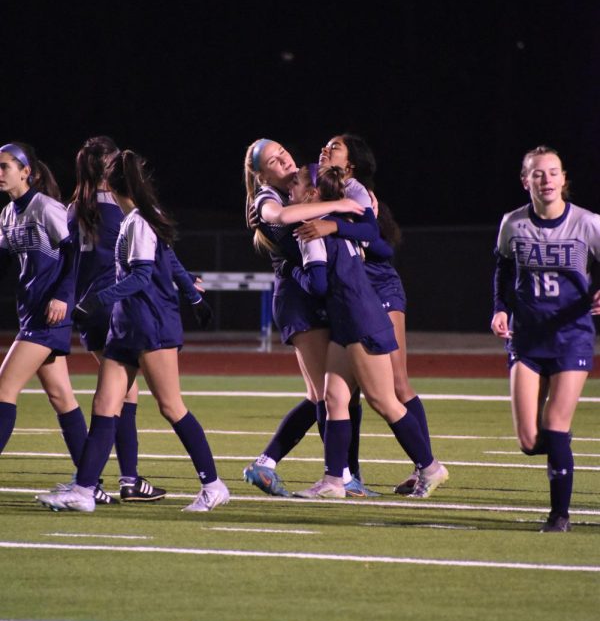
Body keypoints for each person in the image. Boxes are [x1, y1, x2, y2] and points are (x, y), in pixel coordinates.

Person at [37, 147, 228, 514]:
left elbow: (142, 277)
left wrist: (95, 300)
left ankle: (213, 484)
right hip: (124, 327)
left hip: (150, 324)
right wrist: (193, 296)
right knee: (105, 405)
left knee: (171, 406)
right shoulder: (132, 219)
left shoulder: (138, 222)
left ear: (111, 182)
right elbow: (169, 260)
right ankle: (83, 490)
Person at [289, 163, 448, 499]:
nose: (291, 188)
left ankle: (430, 467)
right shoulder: (343, 224)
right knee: (335, 398)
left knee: (384, 400)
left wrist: (293, 273)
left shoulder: (311, 229)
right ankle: (334, 480)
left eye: (296, 183)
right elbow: (371, 239)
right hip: (350, 320)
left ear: (311, 194)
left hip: (359, 319)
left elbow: (317, 284)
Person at [242, 138, 369, 498]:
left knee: (342, 393)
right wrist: (342, 205)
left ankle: (344, 474)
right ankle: (337, 475)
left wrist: (351, 204)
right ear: (260, 173)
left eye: (282, 151)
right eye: (272, 160)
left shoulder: (307, 185)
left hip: (320, 295)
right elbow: (281, 217)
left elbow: (360, 209)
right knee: (326, 395)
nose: (283, 159)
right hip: (299, 298)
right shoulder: (266, 197)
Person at [491, 145, 600, 532]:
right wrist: (500, 308)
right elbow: (503, 272)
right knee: (529, 439)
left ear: (564, 179)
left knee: (555, 424)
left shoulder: (588, 224)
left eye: (553, 172)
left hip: (572, 337)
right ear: (526, 181)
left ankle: (560, 516)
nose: (547, 179)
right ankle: (559, 445)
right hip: (527, 339)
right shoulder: (513, 224)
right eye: (538, 173)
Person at [0, 141, 88, 478]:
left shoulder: (46, 207)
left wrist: (63, 297)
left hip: (48, 315)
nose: (0, 173)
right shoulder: (8, 214)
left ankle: (88, 481)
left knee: (4, 390)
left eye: (5, 166)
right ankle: (89, 481)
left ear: (26, 172)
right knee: (61, 396)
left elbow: (73, 253)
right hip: (32, 313)